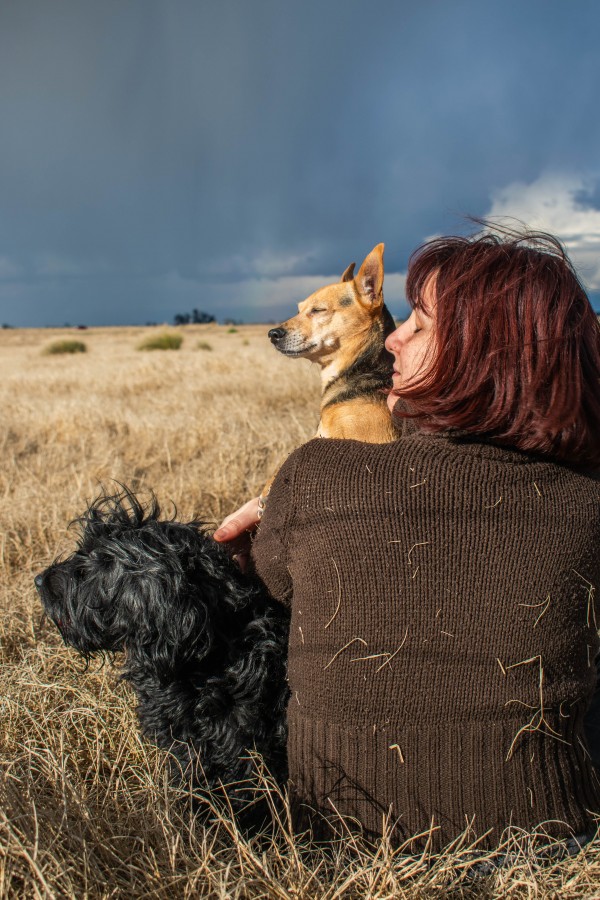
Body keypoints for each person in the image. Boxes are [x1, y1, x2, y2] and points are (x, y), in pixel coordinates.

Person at [214, 227, 600, 851]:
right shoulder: (588, 499)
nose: (390, 335)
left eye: (417, 327)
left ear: (483, 353)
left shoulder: (314, 472)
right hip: (547, 845)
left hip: (342, 841)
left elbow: (269, 590)